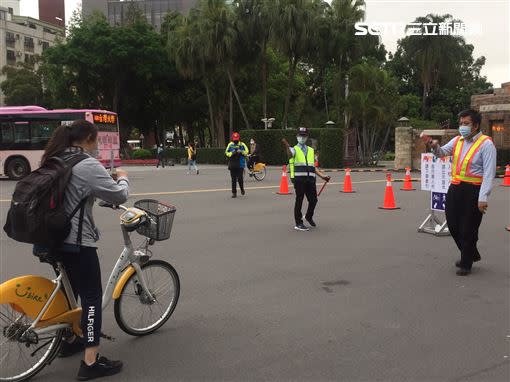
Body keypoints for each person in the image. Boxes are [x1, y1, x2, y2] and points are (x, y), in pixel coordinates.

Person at [40, 120, 129, 379]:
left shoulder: (54, 159)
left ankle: (70, 339)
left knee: (72, 293)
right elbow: (118, 196)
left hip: (50, 238)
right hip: (76, 243)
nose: (98, 145)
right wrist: (123, 179)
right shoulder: (87, 164)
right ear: (87, 140)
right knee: (91, 298)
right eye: (97, 141)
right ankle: (90, 362)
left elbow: (74, 195)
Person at [429, 109, 497, 276]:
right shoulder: (457, 140)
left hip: (474, 190)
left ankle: (466, 262)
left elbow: (489, 174)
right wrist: (435, 146)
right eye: (460, 123)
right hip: (456, 187)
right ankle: (471, 253)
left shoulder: (486, 144)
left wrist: (483, 198)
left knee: (468, 228)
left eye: (466, 123)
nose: (462, 127)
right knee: (452, 224)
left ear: (476, 125)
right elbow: (442, 153)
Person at [282, 127, 330, 231]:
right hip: (299, 179)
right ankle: (298, 223)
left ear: (307, 137)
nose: (302, 138)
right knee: (299, 200)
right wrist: (287, 147)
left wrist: (322, 176)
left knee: (313, 200)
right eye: (300, 135)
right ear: (297, 137)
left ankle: (308, 216)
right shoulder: (294, 149)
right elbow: (290, 155)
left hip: (310, 179)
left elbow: (313, 166)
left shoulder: (310, 150)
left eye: (304, 136)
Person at [225, 132, 248, 198]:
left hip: (240, 164)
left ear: (239, 138)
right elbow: (226, 152)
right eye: (234, 139)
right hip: (232, 164)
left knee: (240, 178)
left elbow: (247, 151)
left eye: (237, 139)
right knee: (233, 179)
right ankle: (234, 193)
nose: (236, 140)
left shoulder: (242, 144)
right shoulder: (230, 144)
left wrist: (241, 151)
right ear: (232, 138)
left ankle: (242, 189)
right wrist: (232, 153)